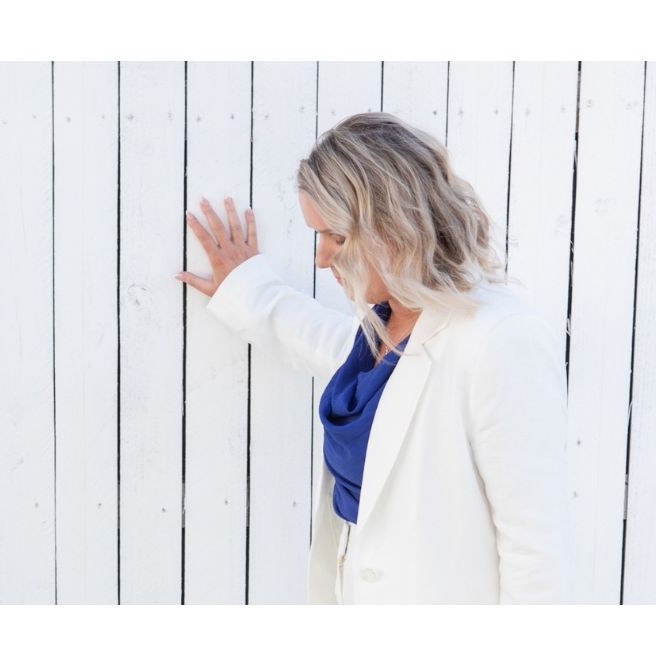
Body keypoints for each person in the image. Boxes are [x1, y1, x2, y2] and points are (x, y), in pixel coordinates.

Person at [174, 112, 573, 604]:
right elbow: (325, 341)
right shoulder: (386, 325)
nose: (321, 257)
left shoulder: (501, 339)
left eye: (335, 236)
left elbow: (535, 548)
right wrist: (245, 288)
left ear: (394, 226)